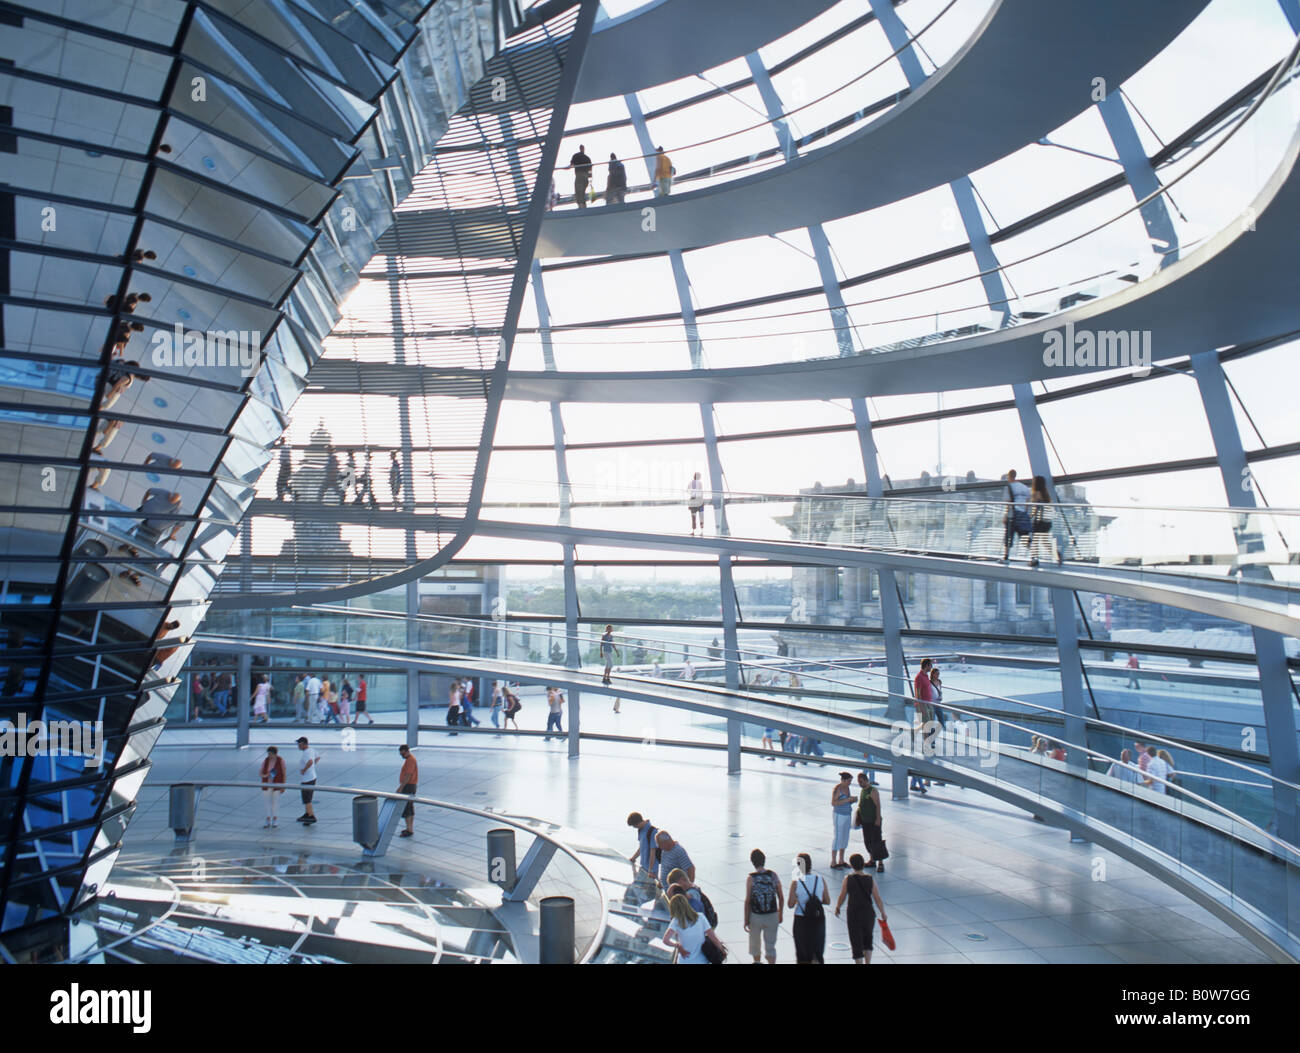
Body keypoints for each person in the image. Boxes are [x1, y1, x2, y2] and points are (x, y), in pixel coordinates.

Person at [834, 854, 888, 964]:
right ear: (863, 864)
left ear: (852, 865)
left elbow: (842, 895)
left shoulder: (848, 879)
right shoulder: (870, 879)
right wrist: (883, 912)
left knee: (856, 942)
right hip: (868, 913)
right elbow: (877, 898)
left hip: (854, 914)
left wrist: (838, 907)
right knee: (868, 940)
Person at [788, 853, 829, 964]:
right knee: (817, 951)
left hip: (801, 919)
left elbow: (790, 904)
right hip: (818, 918)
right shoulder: (820, 879)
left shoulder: (796, 882)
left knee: (803, 953)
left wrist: (799, 899)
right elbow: (827, 901)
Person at [744, 849, 783, 963]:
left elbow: (748, 901)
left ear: (752, 862)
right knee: (770, 947)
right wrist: (780, 913)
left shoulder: (751, 878)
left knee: (755, 946)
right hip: (772, 915)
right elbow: (781, 896)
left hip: (756, 916)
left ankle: (757, 961)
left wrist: (746, 920)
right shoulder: (773, 875)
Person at [663, 893, 724, 964]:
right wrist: (722, 951)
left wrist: (677, 945)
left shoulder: (676, 921)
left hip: (684, 960)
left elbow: (665, 940)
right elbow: (713, 938)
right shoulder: (701, 917)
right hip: (701, 961)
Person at [910, 658, 934, 792]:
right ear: (926, 665)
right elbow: (918, 694)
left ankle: (916, 733)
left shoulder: (925, 676)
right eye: (930, 665)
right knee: (927, 727)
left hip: (929, 705)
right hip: (923, 706)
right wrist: (920, 708)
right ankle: (926, 746)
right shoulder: (919, 677)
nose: (932, 667)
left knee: (928, 726)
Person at [857, 772, 886, 872]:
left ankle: (880, 863)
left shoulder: (872, 791)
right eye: (859, 782)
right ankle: (872, 859)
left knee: (877, 841)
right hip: (865, 821)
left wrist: (878, 819)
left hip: (873, 821)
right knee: (868, 841)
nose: (860, 784)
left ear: (866, 780)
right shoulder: (863, 791)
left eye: (861, 782)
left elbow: (878, 805)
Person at [1002, 469, 1033, 561]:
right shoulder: (1025, 488)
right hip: (1023, 515)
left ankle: (1006, 557)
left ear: (1009, 476)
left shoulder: (1009, 487)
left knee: (1008, 536)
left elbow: (1009, 503)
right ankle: (1033, 555)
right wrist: (1025, 514)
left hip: (1013, 514)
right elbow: (1027, 503)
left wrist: (1005, 516)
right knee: (1024, 536)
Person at [1027, 475, 1054, 567]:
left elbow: (1035, 510)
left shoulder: (1035, 494)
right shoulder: (1046, 495)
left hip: (1039, 522)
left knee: (1034, 541)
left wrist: (1029, 517)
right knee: (1044, 541)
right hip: (1047, 522)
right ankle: (1057, 555)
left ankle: (1034, 560)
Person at [830, 771, 854, 869]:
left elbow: (845, 802)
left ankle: (841, 860)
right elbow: (833, 803)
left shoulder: (847, 788)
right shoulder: (838, 789)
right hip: (839, 815)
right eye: (848, 781)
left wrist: (851, 801)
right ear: (843, 780)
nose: (850, 783)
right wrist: (847, 800)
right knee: (838, 837)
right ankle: (833, 861)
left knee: (845, 837)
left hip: (847, 814)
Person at [626, 812, 658, 880]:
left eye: (634, 826)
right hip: (643, 866)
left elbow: (653, 852)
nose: (634, 828)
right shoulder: (640, 830)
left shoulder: (652, 831)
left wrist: (651, 870)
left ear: (638, 822)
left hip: (651, 870)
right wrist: (633, 858)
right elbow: (641, 847)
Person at [260, 746, 286, 828]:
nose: (269, 756)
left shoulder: (281, 760)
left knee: (275, 802)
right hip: (266, 784)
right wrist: (266, 775)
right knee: (267, 802)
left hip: (277, 785)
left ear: (275, 754)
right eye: (268, 754)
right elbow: (260, 773)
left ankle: (275, 819)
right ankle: (267, 819)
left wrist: (283, 786)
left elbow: (284, 773)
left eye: (270, 754)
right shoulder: (265, 760)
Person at [296, 737, 319, 824]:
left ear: (304, 744)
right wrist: (312, 767)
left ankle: (311, 816)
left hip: (307, 779)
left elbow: (310, 761)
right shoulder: (311, 750)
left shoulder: (306, 753)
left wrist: (304, 770)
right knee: (306, 798)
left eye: (299, 744)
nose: (298, 746)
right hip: (311, 777)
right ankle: (307, 813)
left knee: (307, 798)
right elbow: (317, 757)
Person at [397, 744, 418, 837]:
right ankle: (409, 828)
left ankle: (409, 830)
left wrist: (401, 788)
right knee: (409, 806)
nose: (401, 755)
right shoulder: (409, 759)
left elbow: (408, 775)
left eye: (402, 754)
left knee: (407, 807)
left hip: (408, 786)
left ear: (407, 751)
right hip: (410, 786)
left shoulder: (410, 760)